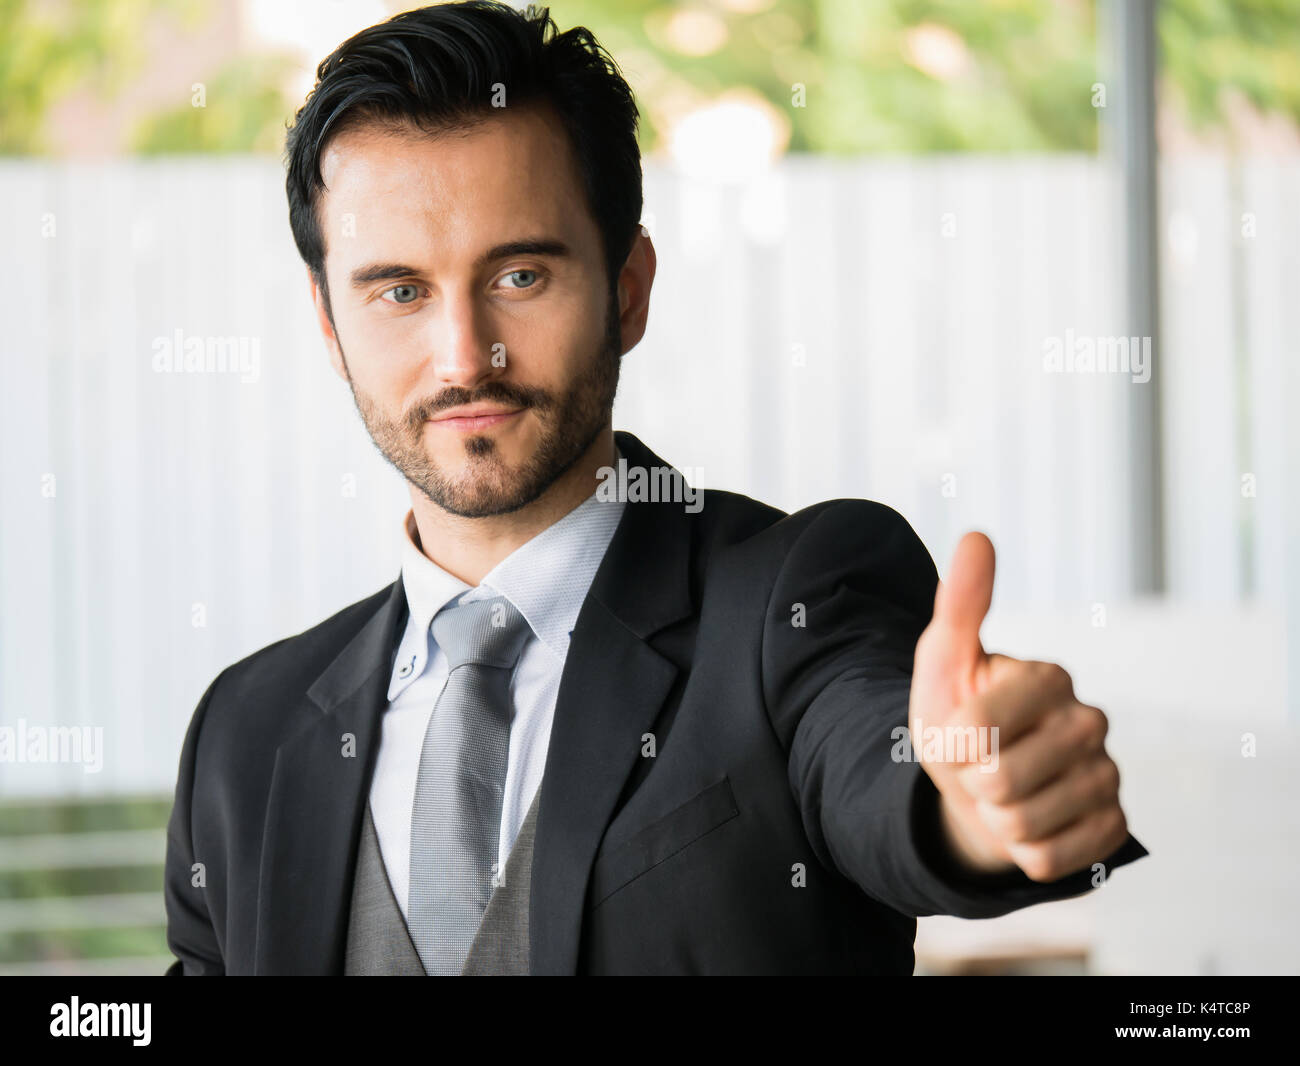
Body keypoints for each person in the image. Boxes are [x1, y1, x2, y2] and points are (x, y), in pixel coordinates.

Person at [163, 0, 1146, 976]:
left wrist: (963, 805)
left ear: (626, 288)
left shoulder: (794, 604)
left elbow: (880, 764)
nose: (464, 355)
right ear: (330, 324)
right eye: (400, 291)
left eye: (519, 276)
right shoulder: (246, 733)